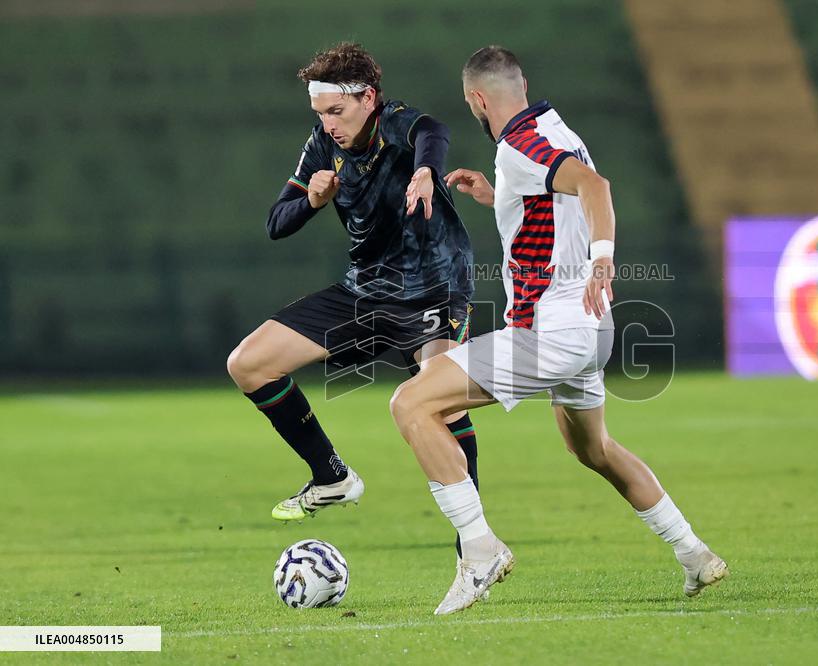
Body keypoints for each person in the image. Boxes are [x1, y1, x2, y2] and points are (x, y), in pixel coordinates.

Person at [389, 46, 728, 615]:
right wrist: (498, 198)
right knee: (592, 448)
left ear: (476, 99)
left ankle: (480, 551)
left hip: (555, 328)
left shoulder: (521, 144)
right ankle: (695, 554)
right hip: (591, 331)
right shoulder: (551, 127)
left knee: (412, 404)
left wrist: (602, 259)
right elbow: (560, 199)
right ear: (519, 86)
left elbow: (596, 188)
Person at [226, 43, 481, 543]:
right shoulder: (323, 144)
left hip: (434, 289)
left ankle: (473, 545)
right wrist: (314, 201)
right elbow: (277, 222)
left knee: (442, 406)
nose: (327, 124)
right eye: (320, 114)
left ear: (368, 98)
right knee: (248, 363)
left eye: (336, 111)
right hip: (365, 291)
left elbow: (434, 130)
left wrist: (426, 170)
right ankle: (331, 476)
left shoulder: (396, 124)